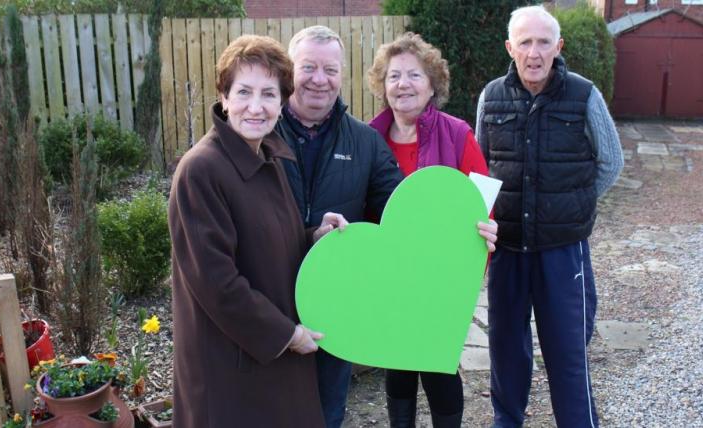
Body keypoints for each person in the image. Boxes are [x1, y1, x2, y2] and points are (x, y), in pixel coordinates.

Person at [168, 34, 348, 427]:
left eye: (268, 94)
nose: (256, 107)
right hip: (231, 367)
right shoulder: (202, 171)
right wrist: (285, 334)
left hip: (272, 359)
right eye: (244, 92)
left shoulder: (269, 157)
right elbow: (216, 282)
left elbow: (269, 243)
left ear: (282, 103)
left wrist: (312, 237)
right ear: (224, 96)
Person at [475, 6, 624, 428]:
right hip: (508, 249)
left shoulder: (583, 94)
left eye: (543, 42)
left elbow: (610, 162)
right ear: (510, 47)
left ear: (558, 47)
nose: (534, 52)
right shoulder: (492, 96)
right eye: (525, 42)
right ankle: (507, 420)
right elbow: (481, 164)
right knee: (505, 347)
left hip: (564, 253)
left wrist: (570, 204)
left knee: (567, 351)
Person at [274, 26, 405, 428]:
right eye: (308, 67)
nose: (319, 78)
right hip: (270, 297)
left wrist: (461, 230)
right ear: (288, 71)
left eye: (330, 69)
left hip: (336, 304)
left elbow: (398, 215)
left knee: (327, 412)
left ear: (342, 75)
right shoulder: (260, 132)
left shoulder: (365, 142)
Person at [367, 32, 497, 428]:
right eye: (393, 76)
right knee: (398, 365)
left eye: (413, 75)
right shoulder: (368, 138)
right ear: (382, 84)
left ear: (432, 84)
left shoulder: (457, 134)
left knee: (438, 365)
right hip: (390, 275)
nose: (402, 84)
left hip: (440, 276)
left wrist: (484, 240)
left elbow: (480, 205)